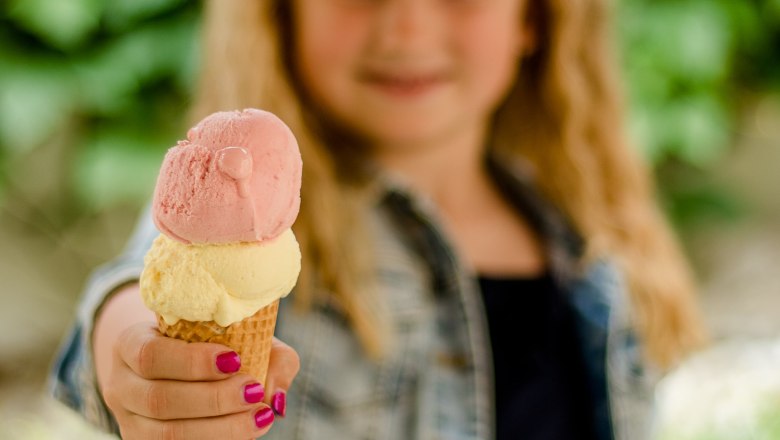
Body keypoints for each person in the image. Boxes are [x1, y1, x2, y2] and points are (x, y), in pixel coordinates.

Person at [50, 0, 706, 439]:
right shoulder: (250, 211)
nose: (406, 26)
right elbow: (136, 287)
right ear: (282, 15)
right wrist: (129, 353)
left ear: (533, 19)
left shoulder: (586, 236)